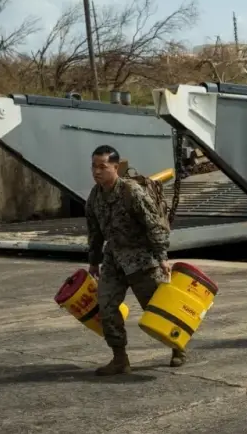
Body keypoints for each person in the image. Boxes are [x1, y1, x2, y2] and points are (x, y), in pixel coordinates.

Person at [85, 145, 183, 376]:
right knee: (106, 308)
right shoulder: (94, 197)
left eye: (102, 167)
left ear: (115, 167)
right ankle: (120, 359)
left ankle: (178, 346)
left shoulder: (132, 192)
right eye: (94, 167)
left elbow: (154, 225)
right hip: (114, 260)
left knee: (157, 310)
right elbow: (95, 233)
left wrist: (162, 257)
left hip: (142, 260)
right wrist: (94, 261)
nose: (97, 171)